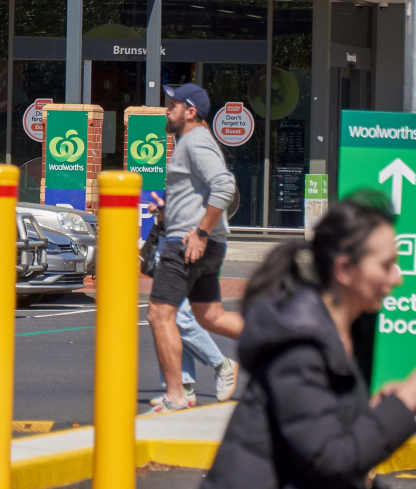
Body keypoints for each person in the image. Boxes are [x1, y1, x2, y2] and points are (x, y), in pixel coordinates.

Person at [201, 192, 416, 489]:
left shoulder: (343, 330)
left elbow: (327, 435)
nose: (397, 278)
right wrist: (406, 401)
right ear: (344, 270)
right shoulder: (300, 344)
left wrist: (381, 409)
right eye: (386, 265)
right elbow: (330, 462)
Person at [147, 83, 245, 413]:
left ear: (190, 112)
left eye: (173, 104)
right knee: (210, 315)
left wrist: (200, 232)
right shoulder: (190, 141)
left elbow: (224, 186)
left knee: (160, 313)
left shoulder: (196, 141)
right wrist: (170, 209)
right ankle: (280, 343)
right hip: (202, 244)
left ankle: (177, 395)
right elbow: (200, 192)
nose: (167, 109)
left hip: (186, 245)